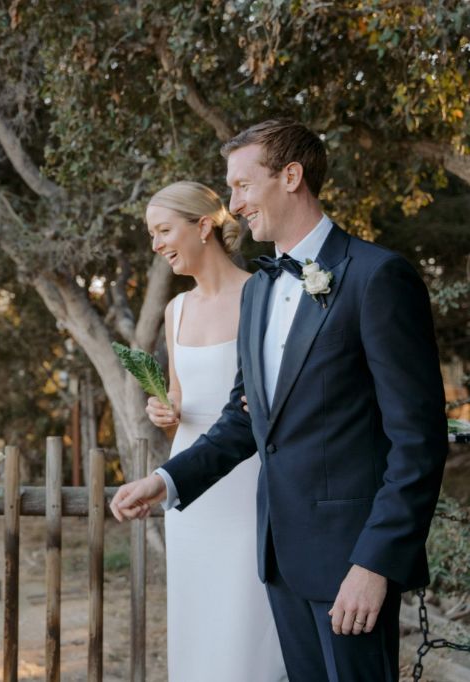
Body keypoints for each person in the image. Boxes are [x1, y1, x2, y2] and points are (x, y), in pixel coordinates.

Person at [110, 119, 448, 682]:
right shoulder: (262, 289)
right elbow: (244, 420)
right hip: (279, 560)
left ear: (290, 176)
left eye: (242, 186)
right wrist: (167, 481)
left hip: (351, 565)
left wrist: (375, 562)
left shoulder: (377, 276)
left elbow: (418, 440)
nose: (234, 205)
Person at [139, 181, 288, 681]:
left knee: (247, 617)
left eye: (163, 230)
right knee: (198, 615)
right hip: (191, 486)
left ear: (203, 226)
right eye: (152, 234)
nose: (156, 244)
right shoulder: (175, 309)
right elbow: (180, 396)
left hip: (248, 483)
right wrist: (164, 411)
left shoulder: (261, 296)